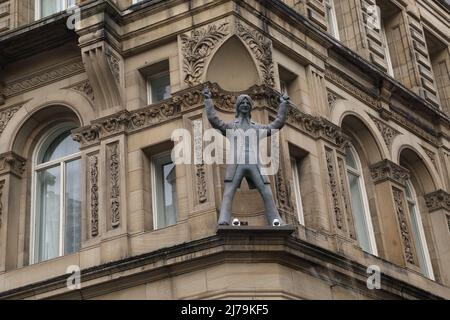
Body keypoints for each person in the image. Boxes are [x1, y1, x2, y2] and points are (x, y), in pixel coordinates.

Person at [203, 86, 290, 226]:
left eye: (247, 103)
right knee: (229, 192)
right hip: (237, 164)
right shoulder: (232, 127)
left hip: (255, 163)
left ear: (250, 107)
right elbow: (214, 120)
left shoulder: (257, 128)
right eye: (242, 103)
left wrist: (284, 105)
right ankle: (224, 219)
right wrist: (208, 100)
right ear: (238, 107)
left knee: (266, 191)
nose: (244, 105)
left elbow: (277, 124)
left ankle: (276, 219)